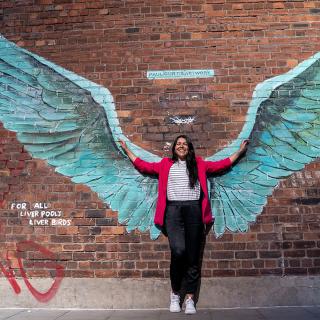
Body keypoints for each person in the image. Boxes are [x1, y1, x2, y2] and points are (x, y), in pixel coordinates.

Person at [119, 135, 248, 314]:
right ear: (174, 148)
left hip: (194, 211)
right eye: (178, 144)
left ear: (189, 148)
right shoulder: (165, 164)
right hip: (173, 212)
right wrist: (127, 150)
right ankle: (175, 294)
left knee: (193, 257)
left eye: (184, 144)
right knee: (178, 251)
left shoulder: (199, 164)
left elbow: (222, 164)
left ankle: (189, 299)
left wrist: (240, 152)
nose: (181, 146)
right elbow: (143, 165)